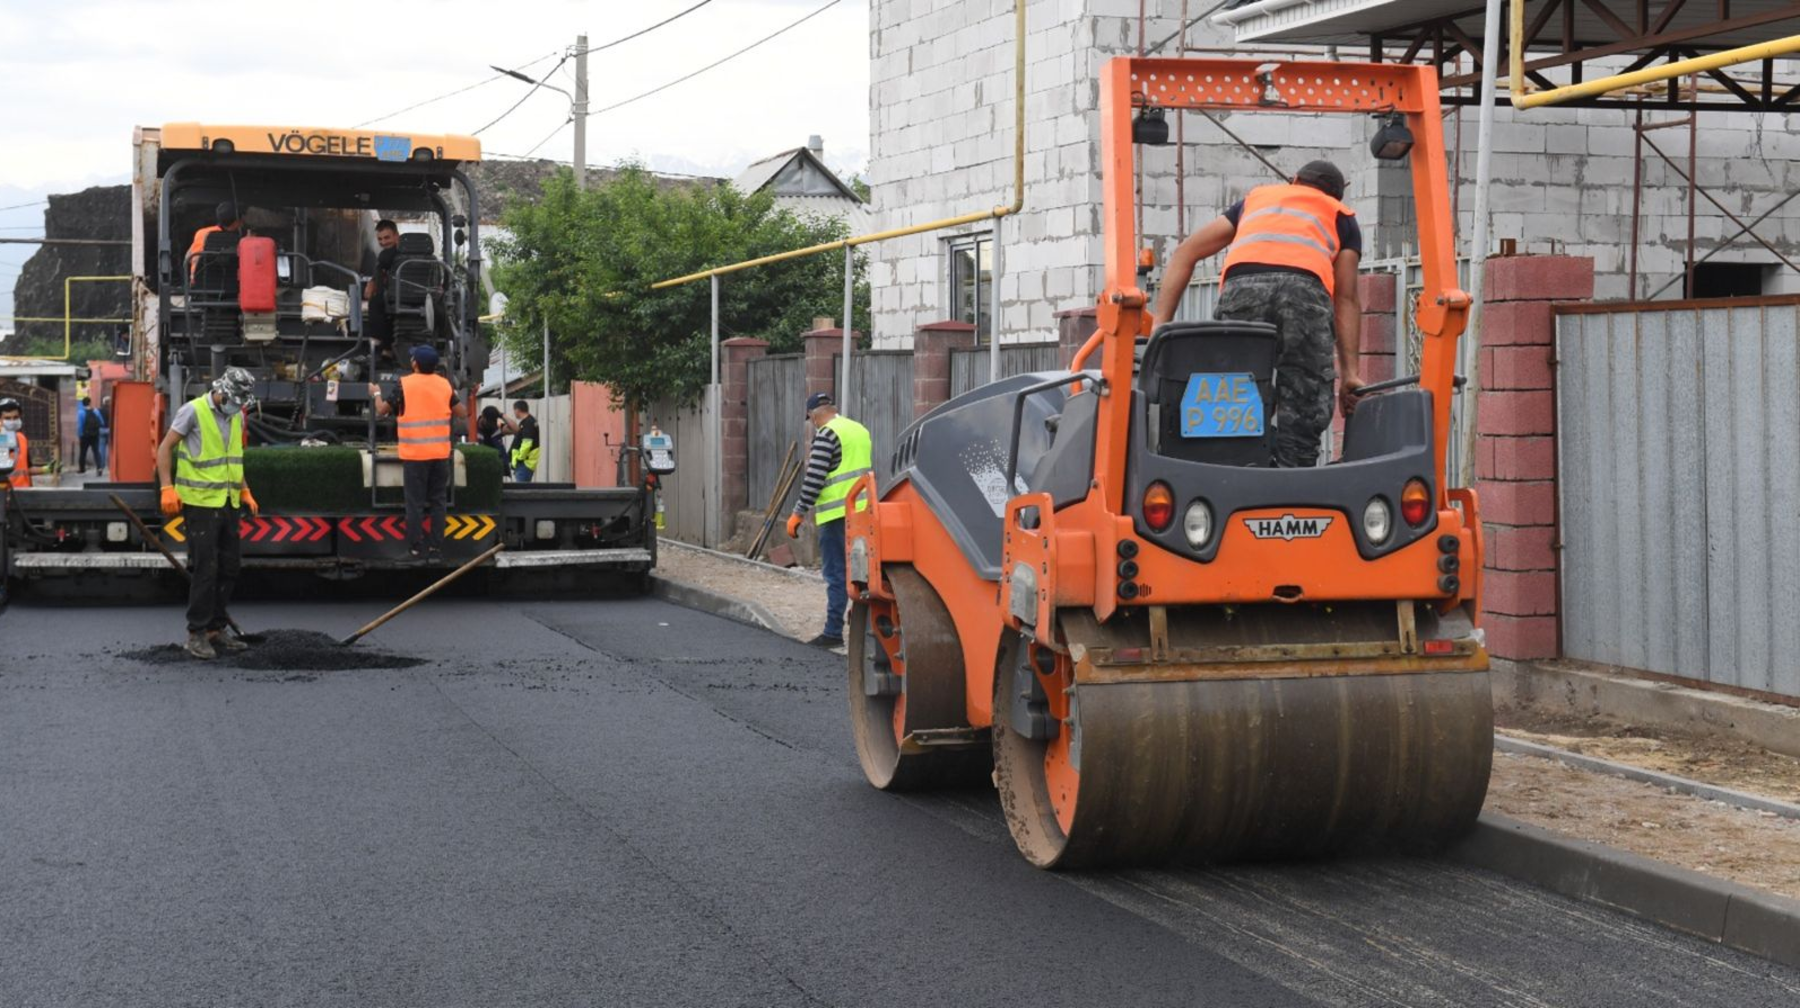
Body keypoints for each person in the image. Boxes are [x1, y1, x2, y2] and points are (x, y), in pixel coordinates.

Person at [1151, 160, 1366, 468]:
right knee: (1303, 393)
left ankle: (1232, 467)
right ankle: (1294, 479)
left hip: (1242, 289)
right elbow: (1346, 297)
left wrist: (1161, 324)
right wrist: (1350, 374)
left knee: (1233, 387)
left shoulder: (1255, 200)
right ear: (1336, 195)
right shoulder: (1341, 216)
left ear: (1294, 180)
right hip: (1303, 294)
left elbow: (1186, 252)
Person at [157, 369, 260, 659]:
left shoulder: (236, 414)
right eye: (236, 400)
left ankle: (216, 629)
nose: (239, 406)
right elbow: (165, 448)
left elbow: (232, 460)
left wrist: (245, 490)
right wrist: (167, 487)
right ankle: (196, 633)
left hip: (227, 501)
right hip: (200, 503)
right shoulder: (193, 411)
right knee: (206, 568)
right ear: (222, 392)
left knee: (230, 567)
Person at [784, 392, 871, 648]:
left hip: (836, 516)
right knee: (862, 574)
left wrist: (797, 513)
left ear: (813, 414)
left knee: (836, 573)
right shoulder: (859, 430)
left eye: (810, 419)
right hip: (864, 513)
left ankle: (833, 633)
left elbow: (815, 479)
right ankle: (864, 634)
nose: (812, 424)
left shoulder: (827, 434)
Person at [370, 345, 467, 562]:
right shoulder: (444, 385)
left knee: (414, 504)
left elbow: (382, 410)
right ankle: (435, 550)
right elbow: (462, 413)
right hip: (440, 455)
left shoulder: (405, 384)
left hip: (414, 455)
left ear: (414, 364)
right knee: (438, 503)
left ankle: (415, 549)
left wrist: (376, 393)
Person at [363, 220, 401, 365]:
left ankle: (376, 341)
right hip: (393, 294)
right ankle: (386, 351)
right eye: (380, 239)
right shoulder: (387, 255)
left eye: (387, 237)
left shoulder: (390, 255)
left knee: (376, 302)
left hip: (399, 295)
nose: (383, 242)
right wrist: (373, 281)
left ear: (397, 236)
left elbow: (383, 263)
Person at [1, 398, 57, 489]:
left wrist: (46, 469)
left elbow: (26, 469)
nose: (12, 421)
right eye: (7, 418)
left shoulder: (21, 438)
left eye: (15, 417)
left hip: (24, 493)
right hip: (4, 494)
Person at [187, 201, 245, 281]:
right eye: (241, 219)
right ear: (236, 222)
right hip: (231, 285)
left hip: (200, 285)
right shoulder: (238, 240)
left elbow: (188, 258)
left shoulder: (201, 233)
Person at [508, 400, 541, 483]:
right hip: (524, 463)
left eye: (514, 410)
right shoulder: (528, 422)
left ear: (517, 410)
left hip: (524, 464)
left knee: (520, 492)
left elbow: (527, 444)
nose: (514, 413)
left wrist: (519, 459)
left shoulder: (528, 423)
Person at [76, 396, 106, 473]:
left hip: (85, 436)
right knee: (96, 451)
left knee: (83, 452)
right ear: (90, 403)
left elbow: (80, 425)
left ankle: (82, 469)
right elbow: (102, 422)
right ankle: (99, 468)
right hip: (95, 435)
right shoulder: (96, 411)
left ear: (83, 404)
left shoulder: (80, 412)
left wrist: (80, 434)